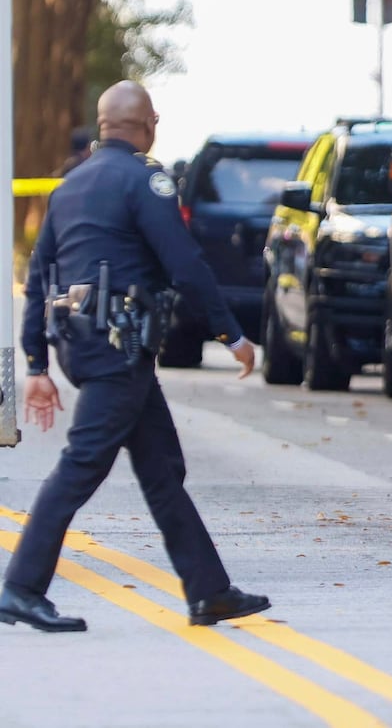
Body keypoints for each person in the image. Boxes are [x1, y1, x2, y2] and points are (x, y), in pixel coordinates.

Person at [1, 81, 268, 633]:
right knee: (80, 466)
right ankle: (20, 589)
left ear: (103, 124)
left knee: (162, 470)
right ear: (148, 123)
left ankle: (209, 591)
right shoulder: (146, 180)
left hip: (87, 347)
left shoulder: (70, 185)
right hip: (117, 349)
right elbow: (185, 263)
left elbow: (38, 278)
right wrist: (230, 334)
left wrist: (35, 366)